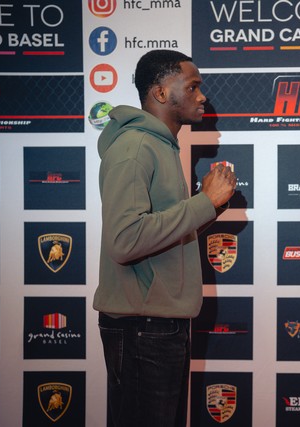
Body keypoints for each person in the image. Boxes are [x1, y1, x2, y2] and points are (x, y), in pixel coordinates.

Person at [93, 49, 236, 427]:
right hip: (142, 325)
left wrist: (209, 209)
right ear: (160, 92)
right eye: (192, 87)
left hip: (157, 322)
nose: (202, 96)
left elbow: (160, 237)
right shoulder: (136, 147)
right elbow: (125, 240)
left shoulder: (160, 146)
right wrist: (204, 202)